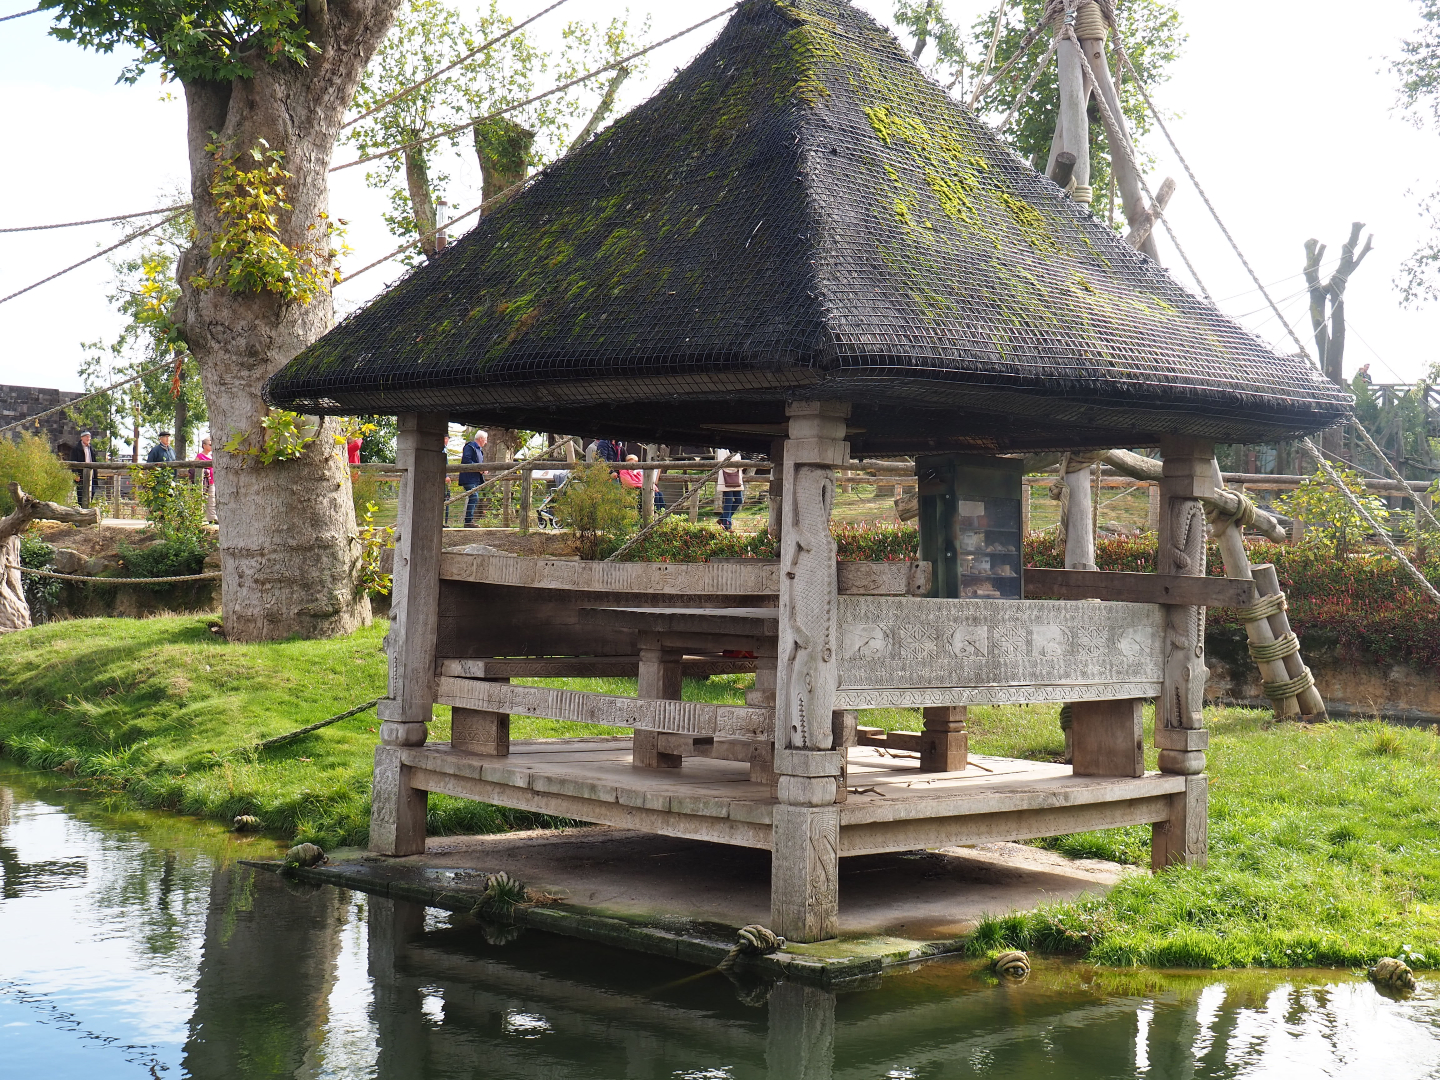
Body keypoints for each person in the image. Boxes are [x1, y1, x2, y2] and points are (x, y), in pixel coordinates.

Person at [459, 429, 487, 528]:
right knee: (474, 496)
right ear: (480, 439)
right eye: (485, 439)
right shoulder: (470, 447)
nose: (486, 442)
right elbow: (466, 460)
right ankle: (468, 521)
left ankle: (469, 521)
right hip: (468, 477)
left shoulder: (480, 450)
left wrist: (483, 469)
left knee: (474, 497)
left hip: (475, 478)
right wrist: (478, 468)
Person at [68, 430, 100, 508]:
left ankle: (88, 509)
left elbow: (94, 461)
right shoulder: (76, 449)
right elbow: (73, 462)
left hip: (91, 474)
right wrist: (75, 474)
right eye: (86, 437)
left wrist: (96, 474)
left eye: (89, 437)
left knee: (92, 491)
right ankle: (81, 510)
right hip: (81, 475)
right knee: (80, 493)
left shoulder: (91, 449)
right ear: (82, 438)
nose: (88, 438)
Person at [717, 460, 747, 531]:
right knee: (729, 501)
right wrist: (737, 466)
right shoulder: (723, 450)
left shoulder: (737, 452)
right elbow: (722, 463)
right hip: (726, 478)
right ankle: (727, 526)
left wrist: (739, 466)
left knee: (739, 500)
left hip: (736, 478)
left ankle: (722, 519)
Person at [196, 436, 216, 523]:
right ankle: (199, 517)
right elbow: (194, 468)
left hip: (212, 481)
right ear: (204, 445)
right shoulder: (200, 456)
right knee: (201, 498)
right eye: (210, 444)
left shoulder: (212, 456)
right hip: (203, 481)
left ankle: (211, 517)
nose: (211, 446)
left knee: (212, 499)